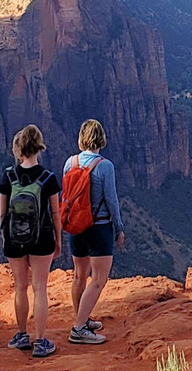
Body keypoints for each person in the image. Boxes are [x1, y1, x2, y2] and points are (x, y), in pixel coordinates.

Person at [0, 124, 62, 359]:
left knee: (20, 288)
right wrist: (58, 241)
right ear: (39, 148)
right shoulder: (48, 178)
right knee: (40, 288)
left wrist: (6, 237)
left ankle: (22, 334)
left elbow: (2, 213)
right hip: (42, 238)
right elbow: (56, 213)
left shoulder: (8, 176)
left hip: (14, 240)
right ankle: (41, 341)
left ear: (18, 151)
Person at [63, 119, 125, 345]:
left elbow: (66, 198)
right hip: (98, 228)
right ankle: (79, 328)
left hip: (75, 228)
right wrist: (119, 227)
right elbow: (111, 200)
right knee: (98, 280)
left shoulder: (70, 162)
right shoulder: (104, 165)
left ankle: (83, 319)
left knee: (79, 276)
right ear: (101, 139)